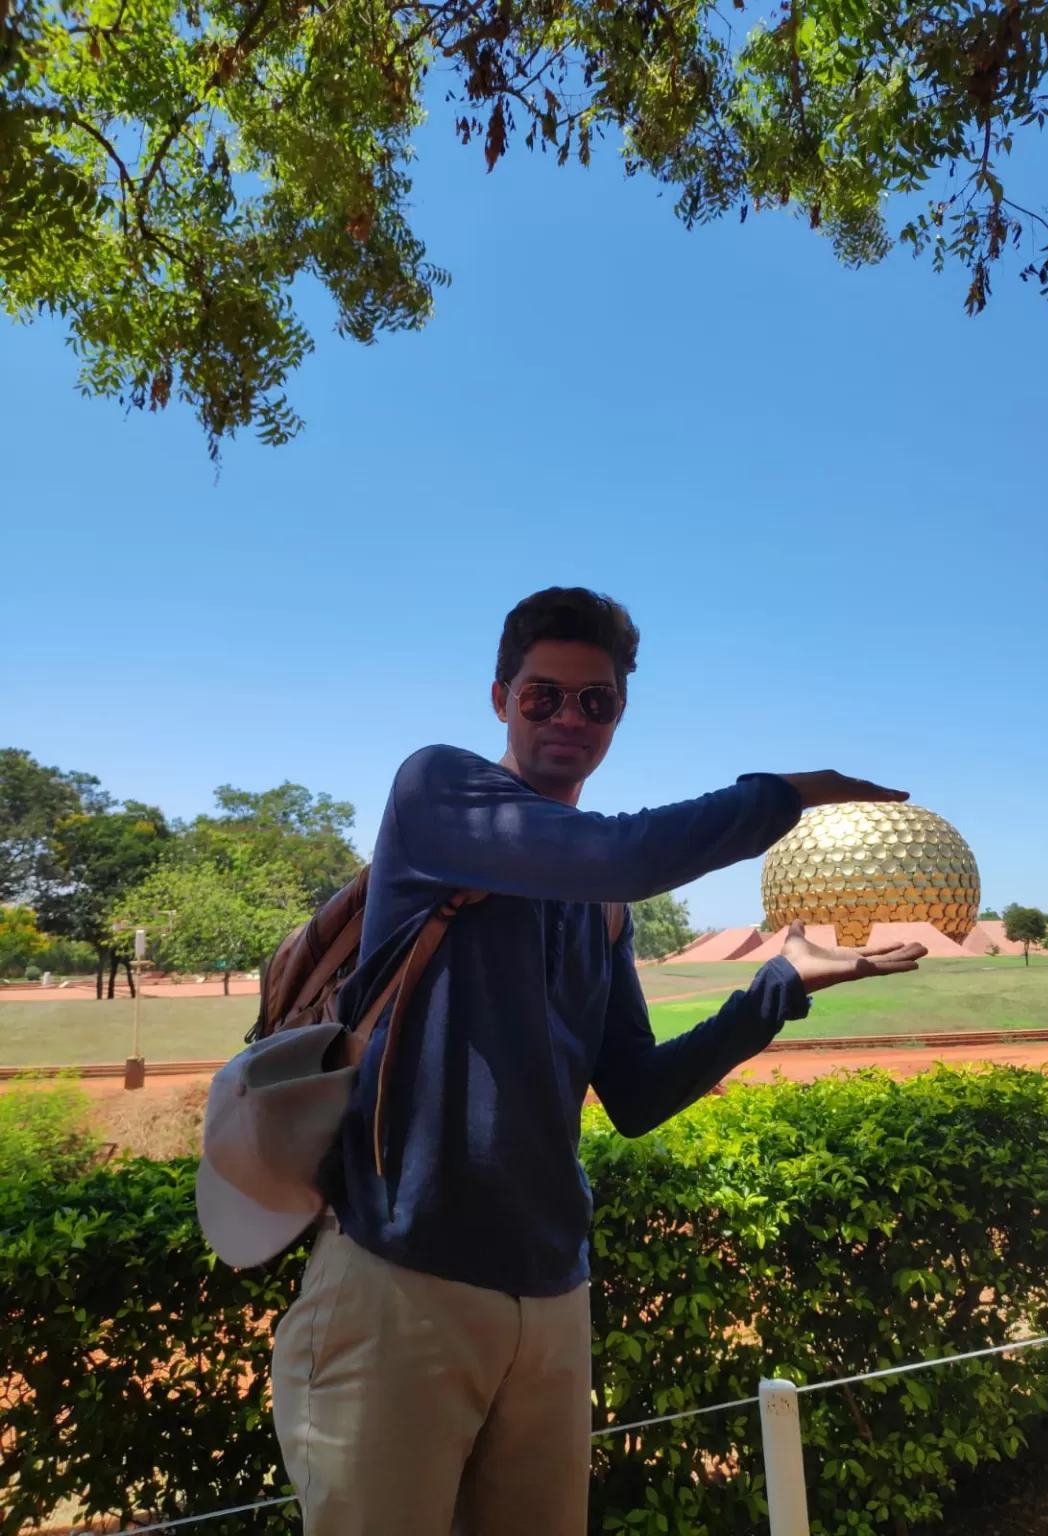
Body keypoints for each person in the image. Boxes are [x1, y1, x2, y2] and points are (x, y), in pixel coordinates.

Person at [271, 586, 927, 1536]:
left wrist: (782, 984)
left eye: (596, 701)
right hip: (399, 1282)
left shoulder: (600, 905)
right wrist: (789, 793)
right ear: (500, 698)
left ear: (620, 712)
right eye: (543, 696)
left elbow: (634, 1093)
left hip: (553, 1292)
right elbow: (624, 853)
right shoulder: (440, 793)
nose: (568, 718)